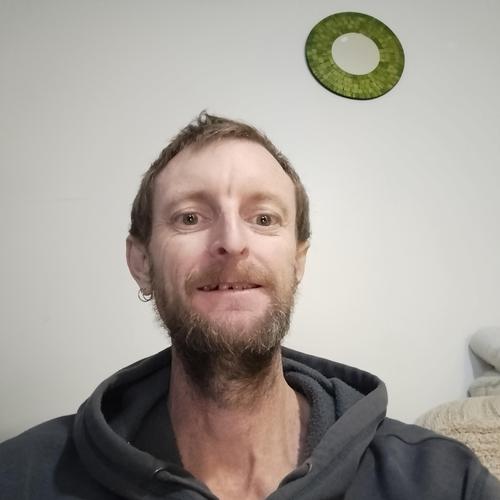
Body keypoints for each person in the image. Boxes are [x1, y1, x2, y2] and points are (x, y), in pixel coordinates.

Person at [1, 113, 499, 500]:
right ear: (142, 263)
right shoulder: (22, 477)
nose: (232, 242)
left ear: (298, 260)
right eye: (190, 217)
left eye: (263, 218)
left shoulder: (445, 481)